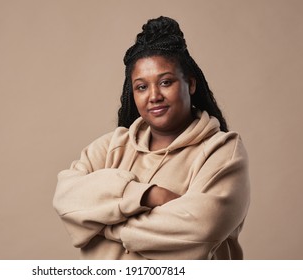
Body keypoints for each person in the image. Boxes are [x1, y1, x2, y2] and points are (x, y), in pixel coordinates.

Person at [53, 16, 250, 260]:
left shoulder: (222, 151)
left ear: (190, 84)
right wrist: (148, 195)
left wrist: (104, 224)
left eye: (165, 82)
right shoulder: (113, 146)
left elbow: (200, 231)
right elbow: (65, 197)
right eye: (141, 87)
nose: (154, 96)